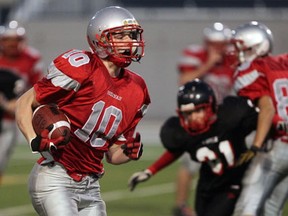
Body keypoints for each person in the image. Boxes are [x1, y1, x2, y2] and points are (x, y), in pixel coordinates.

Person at [15, 6, 150, 216]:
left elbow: (112, 154)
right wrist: (34, 140)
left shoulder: (137, 89)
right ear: (100, 39)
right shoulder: (81, 67)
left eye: (131, 35)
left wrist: (129, 152)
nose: (129, 41)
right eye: (120, 35)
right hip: (56, 177)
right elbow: (25, 102)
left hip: (91, 186)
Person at [128, 79, 260, 216]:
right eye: (188, 113)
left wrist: (260, 145)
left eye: (198, 111)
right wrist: (150, 171)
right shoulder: (184, 132)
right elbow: (176, 150)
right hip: (207, 183)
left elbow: (263, 119)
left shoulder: (230, 117)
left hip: (234, 181)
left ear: (211, 105)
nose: (193, 117)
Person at [173, 22, 235, 216]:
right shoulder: (196, 56)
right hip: (196, 121)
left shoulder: (231, 60)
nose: (219, 49)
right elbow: (184, 80)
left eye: (221, 44)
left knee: (224, 164)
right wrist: (208, 63)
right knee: (190, 163)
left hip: (220, 121)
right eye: (214, 44)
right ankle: (181, 205)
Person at [230, 21, 288, 216]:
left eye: (242, 49)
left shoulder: (252, 70)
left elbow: (268, 108)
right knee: (272, 210)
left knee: (246, 209)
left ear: (256, 46)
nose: (238, 54)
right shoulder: (284, 62)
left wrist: (255, 146)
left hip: (276, 144)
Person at [0, 20, 43, 184]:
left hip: (12, 117)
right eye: (8, 40)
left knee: (1, 159)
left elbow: (38, 90)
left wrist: (16, 105)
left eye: (15, 40)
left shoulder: (31, 58)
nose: (11, 44)